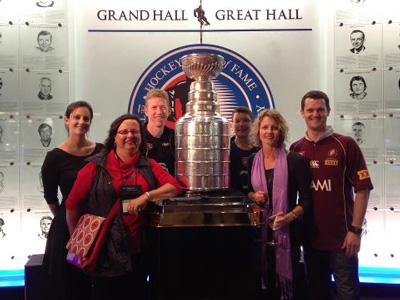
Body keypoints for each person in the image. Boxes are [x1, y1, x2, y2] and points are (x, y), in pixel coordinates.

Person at [66, 113, 181, 300]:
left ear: (141, 137)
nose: (130, 136)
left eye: (135, 131)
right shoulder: (95, 168)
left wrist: (147, 196)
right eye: (124, 132)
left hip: (139, 250)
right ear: (114, 137)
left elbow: (174, 187)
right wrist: (80, 240)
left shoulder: (148, 165)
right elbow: (72, 205)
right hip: (106, 251)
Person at [290, 90, 373, 300]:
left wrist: (355, 230)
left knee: (348, 294)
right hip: (310, 239)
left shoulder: (345, 145)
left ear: (328, 111)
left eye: (320, 109)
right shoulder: (295, 149)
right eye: (310, 110)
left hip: (342, 239)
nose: (315, 114)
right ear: (302, 113)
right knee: (317, 293)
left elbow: (362, 189)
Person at [247, 109, 312, 300]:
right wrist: (253, 195)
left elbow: (307, 200)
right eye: (265, 127)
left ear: (280, 131)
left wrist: (289, 217)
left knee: (286, 287)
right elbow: (246, 192)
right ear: (258, 131)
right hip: (260, 234)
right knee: (265, 284)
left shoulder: (294, 160)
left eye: (274, 128)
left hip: (288, 234)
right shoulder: (253, 160)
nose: (269, 131)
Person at [41, 101, 103, 300]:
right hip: (67, 227)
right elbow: (51, 197)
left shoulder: (102, 151)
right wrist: (68, 218)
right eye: (77, 117)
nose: (81, 121)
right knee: (71, 286)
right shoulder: (54, 157)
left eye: (86, 118)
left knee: (100, 283)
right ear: (67, 121)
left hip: (98, 224)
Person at [144, 89, 175, 176]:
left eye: (163, 107)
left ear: (169, 111)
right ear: (146, 111)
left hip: (171, 188)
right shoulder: (137, 138)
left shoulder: (176, 138)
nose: (159, 112)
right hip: (146, 189)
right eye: (154, 107)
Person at [230, 107, 259, 195]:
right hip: (234, 203)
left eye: (246, 120)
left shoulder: (260, 151)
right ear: (232, 126)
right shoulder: (226, 151)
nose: (242, 124)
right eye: (237, 121)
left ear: (253, 124)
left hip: (258, 203)